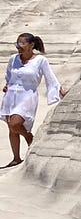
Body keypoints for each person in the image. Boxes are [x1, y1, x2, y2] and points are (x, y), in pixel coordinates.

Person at [2, 32, 65, 168]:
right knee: (11, 128)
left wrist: (60, 91)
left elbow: (50, 77)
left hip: (27, 97)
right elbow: (9, 76)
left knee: (15, 124)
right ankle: (16, 158)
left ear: (31, 45)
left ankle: (28, 137)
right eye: (17, 44)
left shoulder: (40, 60)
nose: (18, 47)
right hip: (10, 96)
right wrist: (7, 85)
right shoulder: (13, 59)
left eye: (21, 44)